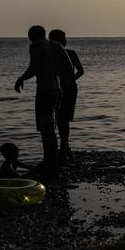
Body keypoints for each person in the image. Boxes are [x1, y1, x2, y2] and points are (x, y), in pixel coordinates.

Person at [14, 25, 73, 177]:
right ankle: (51, 162)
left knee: (46, 128)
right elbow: (69, 68)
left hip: (45, 91)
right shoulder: (57, 46)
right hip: (57, 90)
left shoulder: (36, 46)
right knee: (50, 126)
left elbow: (34, 68)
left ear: (32, 36)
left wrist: (21, 78)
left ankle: (51, 165)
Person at [49, 29, 84, 163]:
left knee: (63, 117)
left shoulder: (68, 53)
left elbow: (81, 71)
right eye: (63, 38)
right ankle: (65, 146)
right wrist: (71, 79)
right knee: (61, 118)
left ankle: (64, 146)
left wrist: (70, 80)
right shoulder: (66, 53)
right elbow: (80, 71)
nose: (65, 40)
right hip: (64, 87)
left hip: (66, 88)